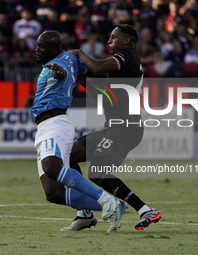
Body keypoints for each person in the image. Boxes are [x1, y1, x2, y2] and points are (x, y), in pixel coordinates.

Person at [65, 24, 162, 231]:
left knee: (97, 173)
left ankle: (145, 210)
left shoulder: (128, 55)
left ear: (127, 41)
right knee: (68, 155)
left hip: (126, 129)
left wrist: (81, 53)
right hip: (115, 128)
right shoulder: (118, 70)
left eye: (113, 37)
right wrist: (73, 75)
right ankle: (84, 213)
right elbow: (98, 91)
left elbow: (97, 68)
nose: (109, 41)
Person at [31, 30, 126, 233]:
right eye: (37, 44)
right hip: (46, 127)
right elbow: (88, 72)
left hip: (54, 123)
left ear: (56, 48)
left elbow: (62, 72)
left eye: (42, 46)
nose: (37, 49)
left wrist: (60, 73)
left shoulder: (61, 61)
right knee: (53, 193)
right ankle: (105, 208)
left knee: (52, 167)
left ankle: (106, 199)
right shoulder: (71, 58)